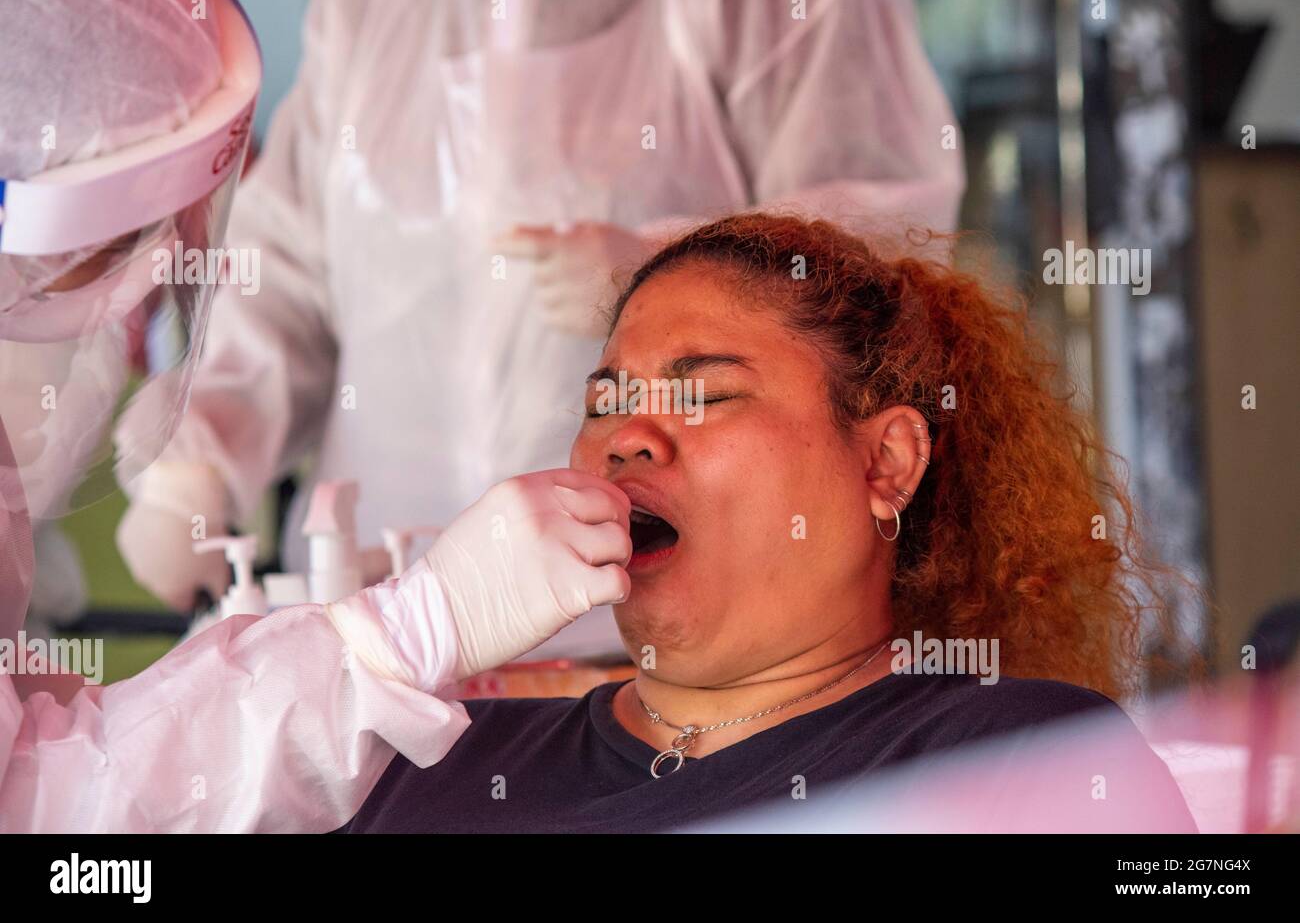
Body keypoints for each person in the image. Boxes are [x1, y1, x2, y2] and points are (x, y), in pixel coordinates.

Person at [118, 0, 966, 661]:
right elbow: (286, 273)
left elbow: (884, 242)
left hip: (664, 634)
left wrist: (668, 264)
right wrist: (197, 462)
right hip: (388, 631)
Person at [0, 0, 631, 832]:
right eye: (115, 237)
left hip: (585, 640)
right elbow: (58, 816)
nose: (148, 276)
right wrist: (403, 631)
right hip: (385, 599)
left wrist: (664, 256)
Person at [340, 213, 1198, 833]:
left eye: (704, 393)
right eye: (604, 401)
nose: (626, 437)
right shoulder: (434, 753)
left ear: (885, 463)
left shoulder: (1027, 757)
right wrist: (396, 636)